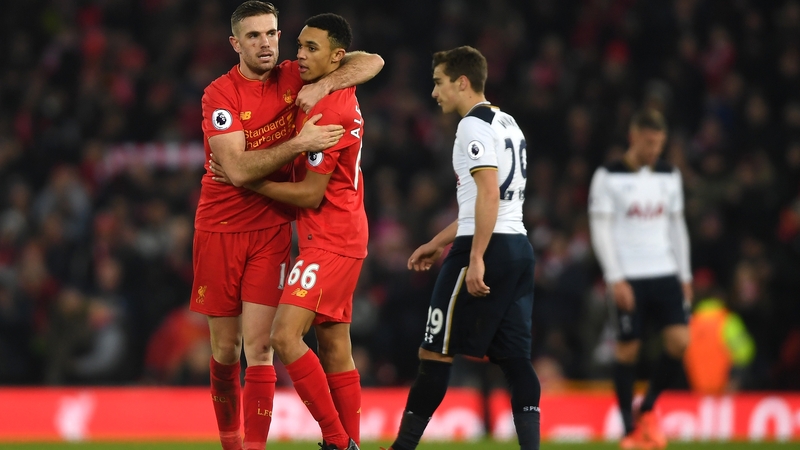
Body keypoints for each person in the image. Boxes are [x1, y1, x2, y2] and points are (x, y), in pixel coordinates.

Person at [192, 2, 383, 450]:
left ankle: (264, 448)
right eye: (254, 36)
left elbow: (371, 61)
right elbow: (236, 171)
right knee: (224, 351)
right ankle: (230, 441)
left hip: (274, 227)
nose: (266, 44)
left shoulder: (297, 76)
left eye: (273, 34)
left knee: (262, 348)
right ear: (235, 43)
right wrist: (299, 143)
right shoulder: (219, 94)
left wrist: (327, 85)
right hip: (220, 226)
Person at [384, 46, 541, 450]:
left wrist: (474, 259)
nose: (434, 93)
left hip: (485, 248)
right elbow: (489, 204)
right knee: (515, 360)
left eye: (438, 82)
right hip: (519, 248)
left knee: (434, 353)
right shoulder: (509, 122)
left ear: (462, 82)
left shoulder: (471, 126)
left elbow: (488, 194)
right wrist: (437, 243)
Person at [588, 109, 693, 450]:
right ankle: (629, 430)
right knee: (628, 349)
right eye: (649, 142)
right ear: (633, 137)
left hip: (664, 271)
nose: (654, 151)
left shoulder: (669, 175)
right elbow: (600, 229)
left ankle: (646, 409)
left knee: (680, 341)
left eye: (659, 144)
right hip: (629, 274)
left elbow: (677, 225)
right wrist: (615, 278)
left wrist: (685, 273)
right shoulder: (608, 176)